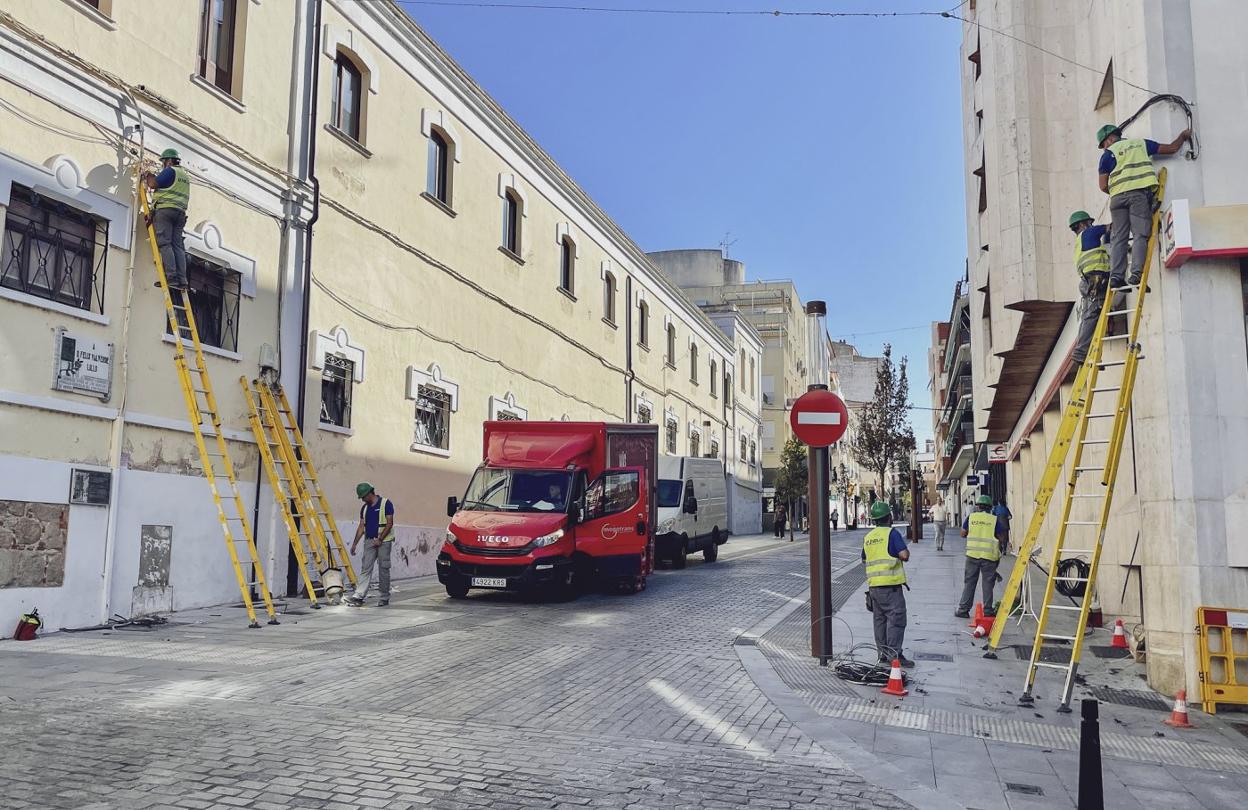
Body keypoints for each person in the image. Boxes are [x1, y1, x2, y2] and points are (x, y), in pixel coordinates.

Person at [1096, 124, 1191, 288]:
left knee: (1119, 238)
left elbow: (1103, 185)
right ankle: (1136, 274)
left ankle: (1116, 277)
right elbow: (1172, 148)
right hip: (1138, 197)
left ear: (1110, 139)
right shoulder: (1141, 144)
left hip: (1117, 199)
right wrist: (1182, 136)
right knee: (1140, 234)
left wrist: (1120, 189)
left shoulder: (1107, 156)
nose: (1104, 148)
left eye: (1103, 144)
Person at [861, 500, 912, 668]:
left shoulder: (868, 537)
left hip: (874, 587)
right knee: (896, 619)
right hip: (890, 586)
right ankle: (894, 655)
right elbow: (904, 555)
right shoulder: (892, 534)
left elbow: (864, 559)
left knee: (880, 620)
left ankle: (882, 654)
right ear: (889, 517)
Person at [142, 148, 190, 290]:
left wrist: (148, 175)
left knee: (165, 243)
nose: (163, 165)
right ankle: (183, 281)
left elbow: (152, 184)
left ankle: (171, 278)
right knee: (178, 246)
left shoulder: (170, 171)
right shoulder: (185, 176)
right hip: (180, 214)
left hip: (165, 211)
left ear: (169, 161)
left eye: (163, 162)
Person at [1068, 210, 1112, 365]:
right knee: (1091, 316)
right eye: (1089, 222)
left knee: (1087, 316)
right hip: (1095, 281)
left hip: (1088, 282)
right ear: (1082, 224)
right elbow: (1112, 227)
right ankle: (1080, 352)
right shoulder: (1090, 233)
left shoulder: (1079, 243)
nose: (1091, 225)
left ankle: (1084, 352)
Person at [955, 495, 1007, 618]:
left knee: (969, 582)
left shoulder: (971, 518)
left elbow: (962, 534)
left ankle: (963, 610)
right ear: (990, 508)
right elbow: (1002, 537)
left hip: (972, 556)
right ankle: (988, 611)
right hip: (989, 557)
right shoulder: (994, 520)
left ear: (977, 507)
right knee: (988, 584)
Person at [346, 482, 395, 607]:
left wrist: (380, 539)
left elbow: (389, 523)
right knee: (365, 568)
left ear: (370, 493)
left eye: (363, 497)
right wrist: (354, 544)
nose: (362, 500)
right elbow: (361, 527)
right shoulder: (365, 508)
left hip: (384, 541)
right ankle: (359, 596)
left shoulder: (386, 503)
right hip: (369, 540)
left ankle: (384, 597)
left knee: (383, 569)